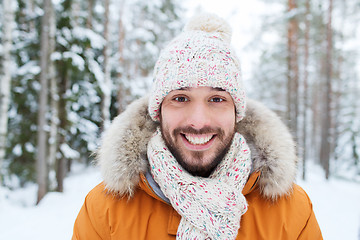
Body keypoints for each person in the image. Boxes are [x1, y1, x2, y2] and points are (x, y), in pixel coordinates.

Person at [72, 13, 323, 240]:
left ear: (237, 113)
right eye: (180, 98)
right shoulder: (104, 211)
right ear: (158, 112)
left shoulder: (291, 212)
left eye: (217, 99)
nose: (199, 121)